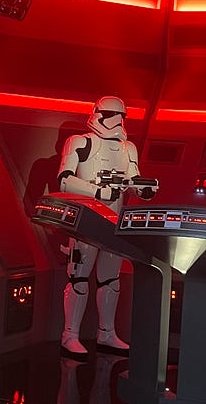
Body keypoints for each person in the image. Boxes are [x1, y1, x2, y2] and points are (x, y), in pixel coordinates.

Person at [57, 95, 157, 356]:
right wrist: (96, 191)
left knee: (111, 279)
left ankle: (107, 333)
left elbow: (134, 179)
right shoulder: (81, 142)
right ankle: (70, 335)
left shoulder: (127, 148)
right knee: (79, 278)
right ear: (98, 114)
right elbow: (64, 179)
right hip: (86, 220)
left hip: (113, 221)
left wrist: (143, 189)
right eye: (111, 115)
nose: (116, 121)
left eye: (120, 116)